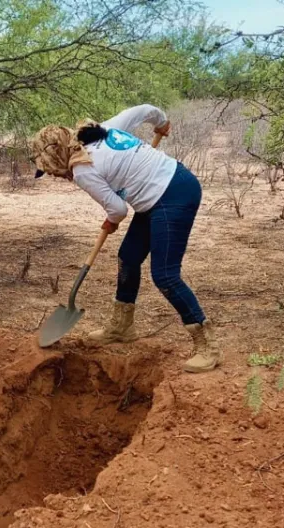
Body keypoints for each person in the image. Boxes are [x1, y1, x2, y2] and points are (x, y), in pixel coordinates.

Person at [31, 104, 220, 373]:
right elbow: (144, 110)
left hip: (173, 195)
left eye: (49, 169)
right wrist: (161, 122)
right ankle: (122, 327)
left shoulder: (83, 169)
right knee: (128, 257)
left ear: (56, 157)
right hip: (167, 187)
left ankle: (207, 345)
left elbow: (118, 210)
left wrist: (111, 219)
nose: (52, 174)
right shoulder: (99, 128)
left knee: (165, 275)